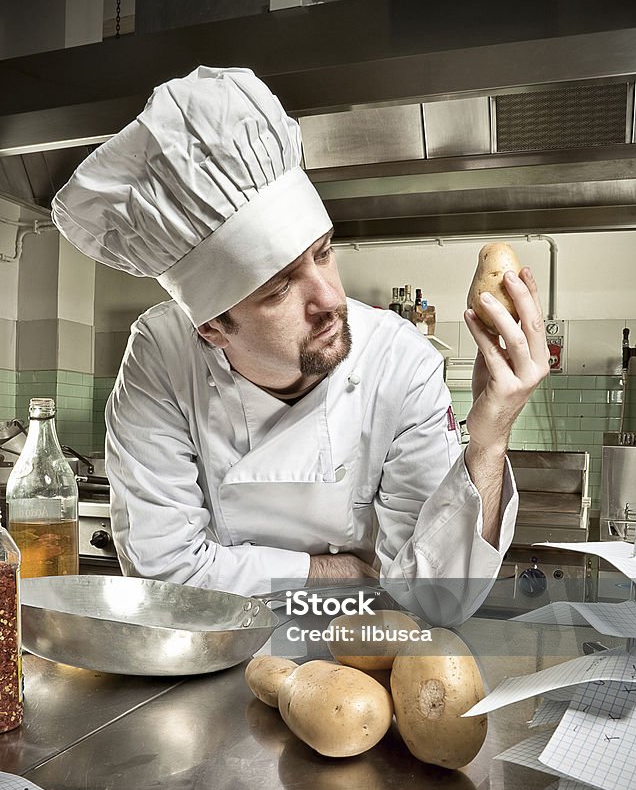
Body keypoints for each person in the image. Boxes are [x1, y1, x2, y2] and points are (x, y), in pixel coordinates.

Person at [52, 67, 548, 624]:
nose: (330, 298)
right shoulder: (163, 355)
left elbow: (435, 600)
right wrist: (338, 572)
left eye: (323, 253)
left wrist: (491, 431)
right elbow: (167, 580)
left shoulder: (398, 359)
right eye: (279, 288)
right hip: (211, 668)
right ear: (212, 328)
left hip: (363, 664)